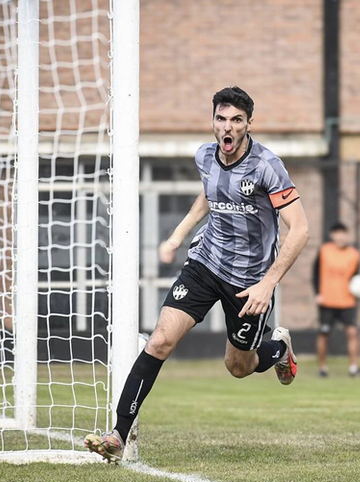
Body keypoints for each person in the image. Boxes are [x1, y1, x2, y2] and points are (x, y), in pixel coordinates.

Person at [84, 86, 310, 463]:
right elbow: (209, 194)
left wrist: (268, 284)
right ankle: (118, 435)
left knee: (238, 366)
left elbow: (300, 229)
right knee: (160, 341)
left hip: (250, 281)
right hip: (205, 264)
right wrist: (177, 235)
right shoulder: (204, 155)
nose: (227, 127)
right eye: (221, 118)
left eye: (236, 120)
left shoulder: (267, 166)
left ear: (249, 124)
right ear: (213, 121)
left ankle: (279, 347)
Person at [313, 222, 360, 377]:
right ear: (332, 235)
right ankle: (322, 368)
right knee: (324, 333)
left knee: (352, 332)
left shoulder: (354, 254)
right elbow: (315, 273)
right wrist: (317, 293)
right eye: (337, 233)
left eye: (343, 233)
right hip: (327, 300)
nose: (341, 236)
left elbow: (356, 279)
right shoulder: (324, 251)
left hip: (347, 300)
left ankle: (354, 368)